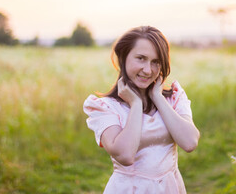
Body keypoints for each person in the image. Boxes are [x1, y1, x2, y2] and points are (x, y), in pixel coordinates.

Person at [83, 26, 200, 193]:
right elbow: (125, 155)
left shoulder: (172, 98)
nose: (148, 70)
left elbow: (190, 143)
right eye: (141, 58)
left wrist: (158, 98)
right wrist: (136, 104)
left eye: (156, 62)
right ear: (123, 58)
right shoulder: (105, 107)